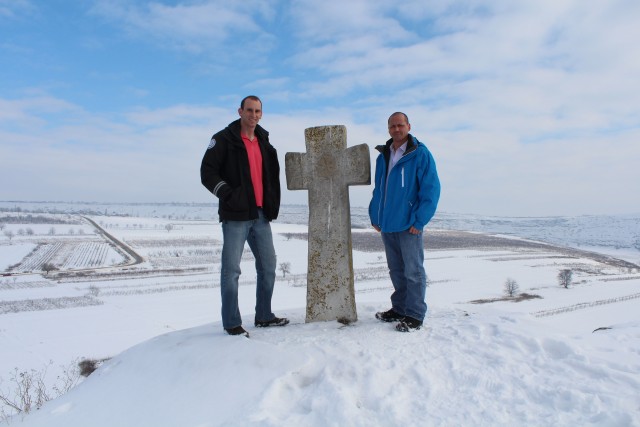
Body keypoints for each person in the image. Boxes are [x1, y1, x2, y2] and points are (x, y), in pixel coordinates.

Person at [200, 96, 289, 337]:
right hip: (235, 215)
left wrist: (271, 204)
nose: (253, 115)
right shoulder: (223, 139)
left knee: (269, 266)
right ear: (240, 111)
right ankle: (231, 323)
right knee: (231, 271)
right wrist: (229, 194)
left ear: (262, 114)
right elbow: (207, 172)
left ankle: (264, 315)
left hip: (260, 215)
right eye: (249, 110)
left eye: (258, 111)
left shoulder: (264, 142)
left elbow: (270, 179)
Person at [369, 112, 441, 332]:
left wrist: (419, 221)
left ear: (409, 126)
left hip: (409, 224)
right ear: (388, 128)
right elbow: (379, 189)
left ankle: (415, 314)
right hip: (387, 224)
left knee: (413, 271)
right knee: (396, 270)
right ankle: (399, 308)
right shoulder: (384, 156)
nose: (396, 129)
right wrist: (375, 215)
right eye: (392, 126)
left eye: (400, 125)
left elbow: (431, 190)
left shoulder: (420, 154)